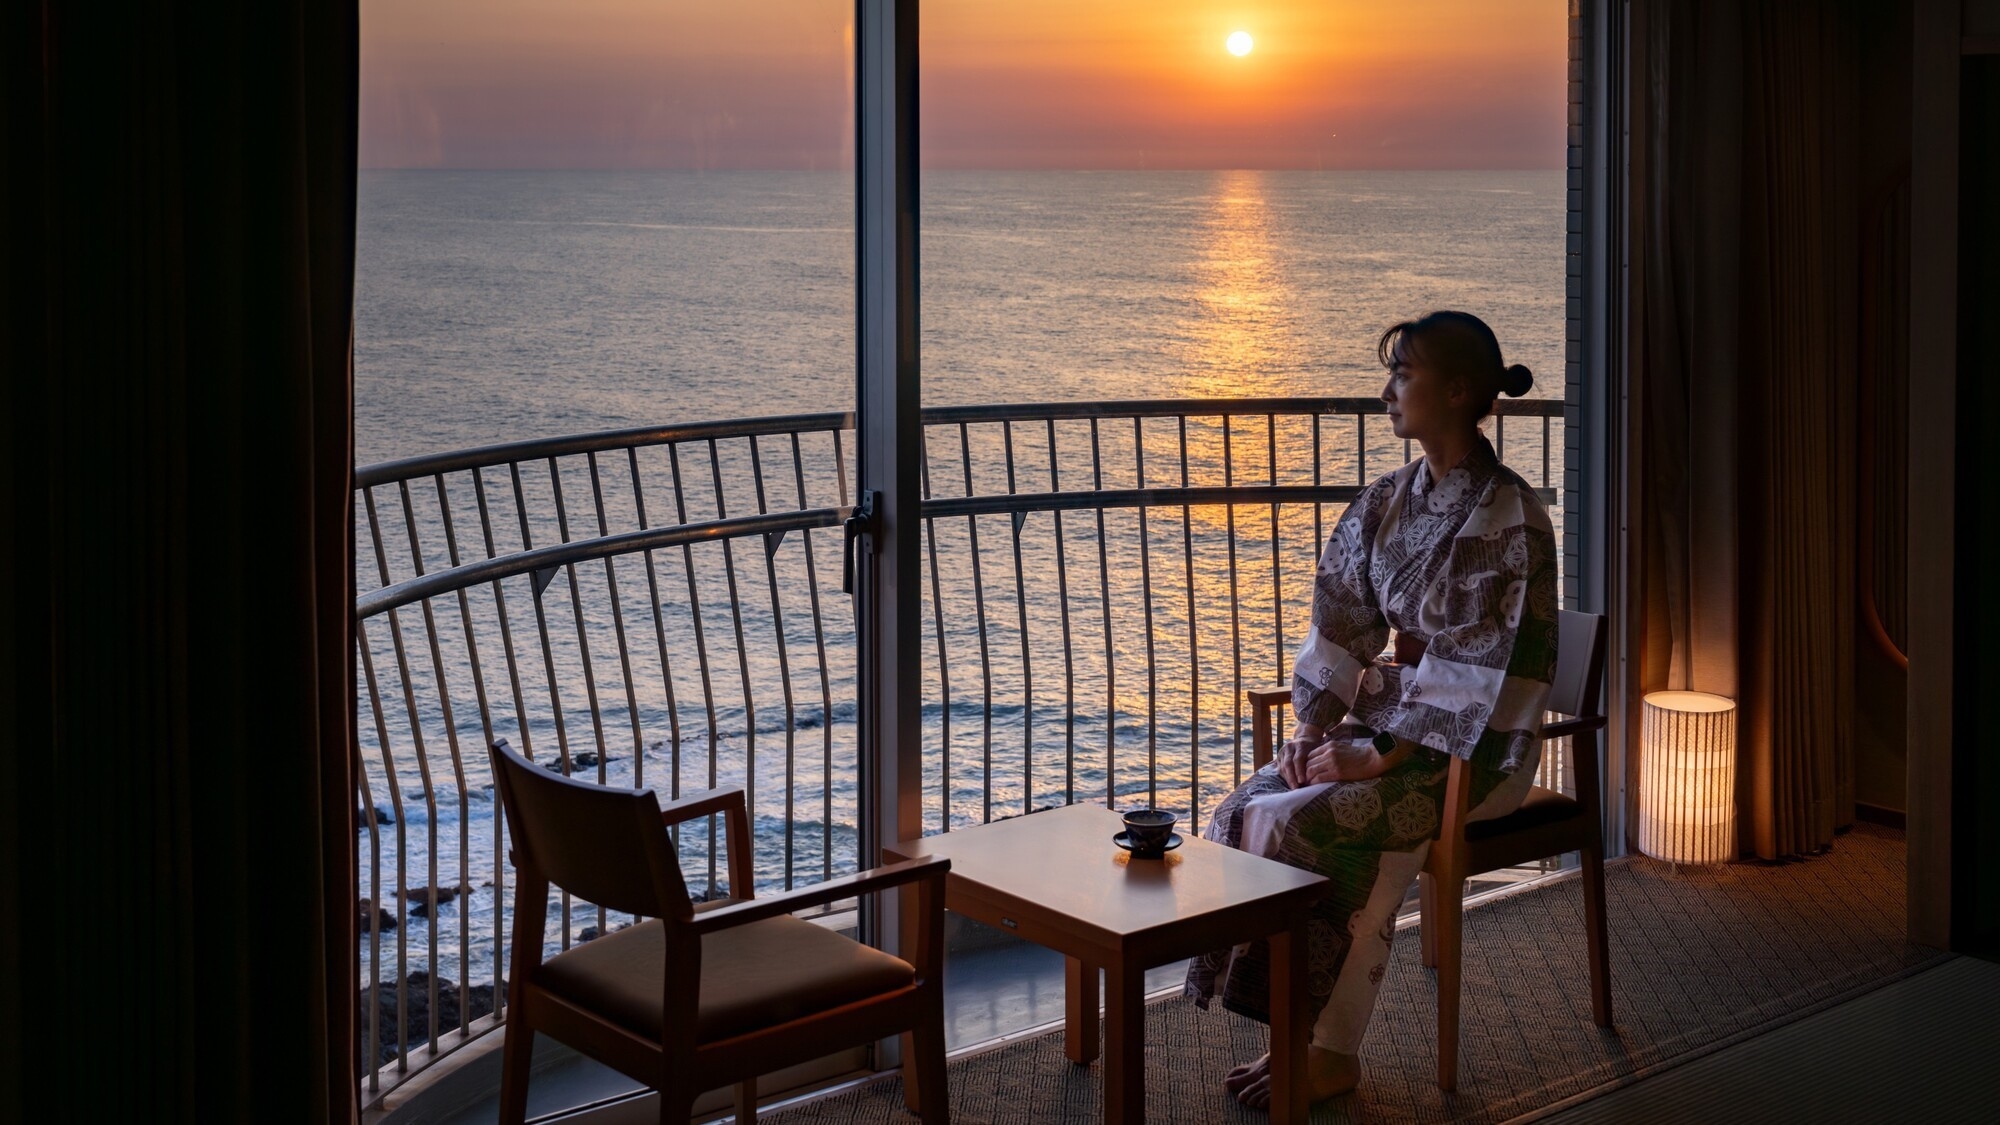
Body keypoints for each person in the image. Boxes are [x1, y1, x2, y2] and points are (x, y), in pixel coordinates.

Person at [1186, 310, 1559, 1108]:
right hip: (1395, 729)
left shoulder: (1508, 514)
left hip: (1479, 749)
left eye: (1404, 374)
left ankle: (1321, 1048)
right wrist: (1314, 728)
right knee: (1246, 805)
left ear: (1457, 390)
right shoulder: (1389, 496)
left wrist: (1380, 753)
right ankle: (1298, 1037)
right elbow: (1341, 619)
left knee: (1324, 820)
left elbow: (1476, 671)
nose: (1388, 390)